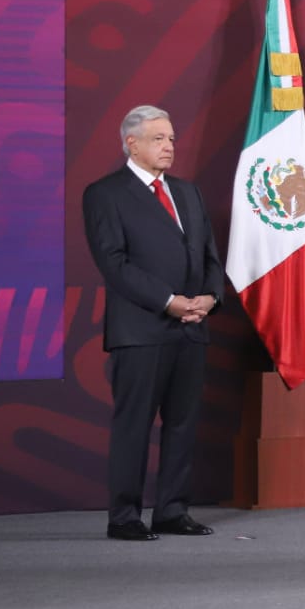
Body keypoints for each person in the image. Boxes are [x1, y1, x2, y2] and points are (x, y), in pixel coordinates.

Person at [82, 105, 223, 541]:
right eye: (158, 138)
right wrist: (168, 302)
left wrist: (210, 298)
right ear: (132, 143)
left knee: (182, 424)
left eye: (172, 139)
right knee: (134, 425)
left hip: (191, 327)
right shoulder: (105, 194)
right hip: (141, 331)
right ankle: (124, 517)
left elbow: (209, 256)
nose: (169, 146)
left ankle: (172, 511)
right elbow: (114, 263)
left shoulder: (188, 192)